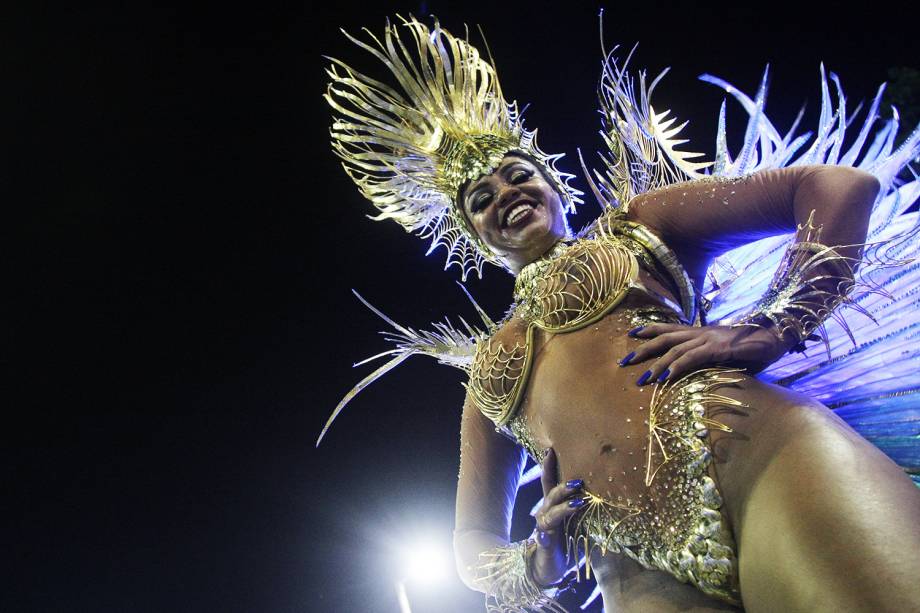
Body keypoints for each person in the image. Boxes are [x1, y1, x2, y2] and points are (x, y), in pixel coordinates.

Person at [320, 16, 920, 612]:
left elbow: (836, 186)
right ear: (473, 236)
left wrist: (773, 326)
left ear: (554, 185)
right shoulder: (492, 368)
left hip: (761, 463)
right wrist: (532, 560)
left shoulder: (639, 226)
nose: (505, 194)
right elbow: (468, 542)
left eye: (519, 175)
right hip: (632, 574)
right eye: (481, 199)